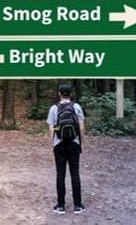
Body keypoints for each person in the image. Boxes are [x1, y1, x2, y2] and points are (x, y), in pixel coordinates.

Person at [47, 84, 86, 215]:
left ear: (59, 93)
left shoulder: (54, 108)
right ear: (70, 94)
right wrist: (81, 142)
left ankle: (60, 206)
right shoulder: (76, 107)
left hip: (59, 144)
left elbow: (51, 127)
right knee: (75, 174)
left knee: (60, 174)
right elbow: (81, 126)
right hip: (74, 143)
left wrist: (52, 143)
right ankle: (78, 205)